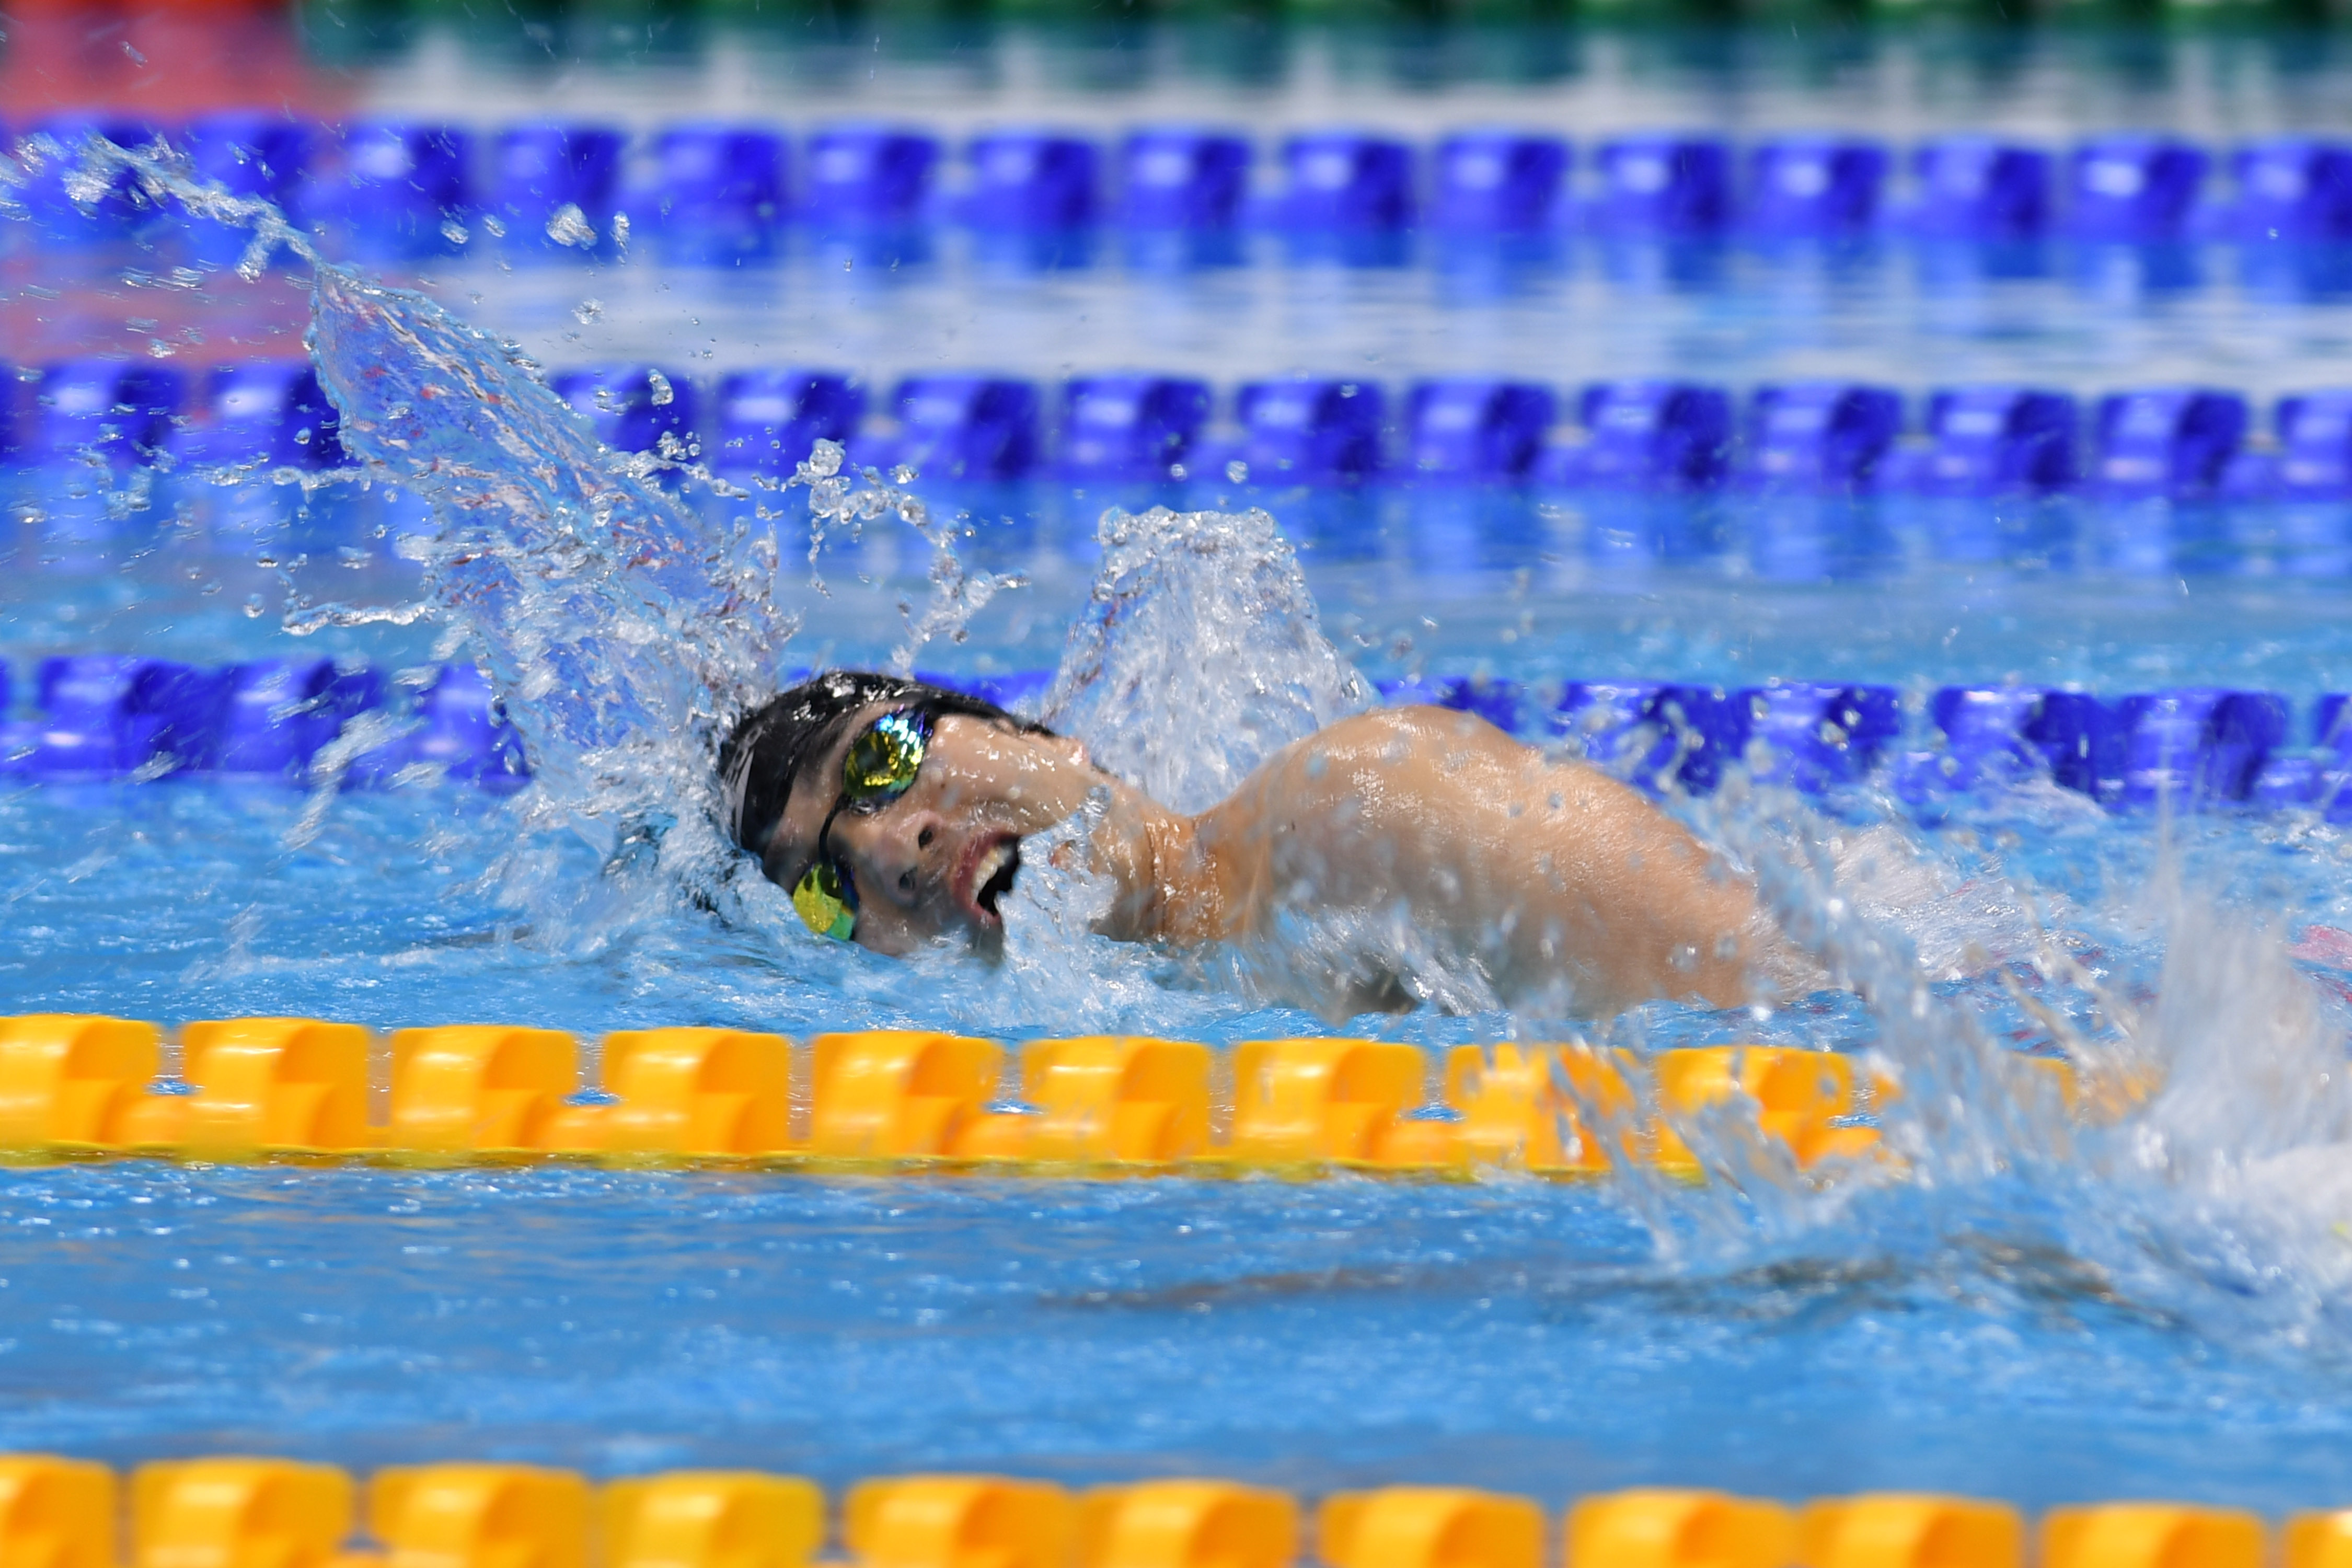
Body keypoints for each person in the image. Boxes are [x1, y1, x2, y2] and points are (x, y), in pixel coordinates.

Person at [720, 670, 1793, 1019]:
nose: (887, 847)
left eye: (883, 759)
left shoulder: (1368, 811)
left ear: (1017, 727)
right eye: (822, 891)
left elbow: (1785, 1002)